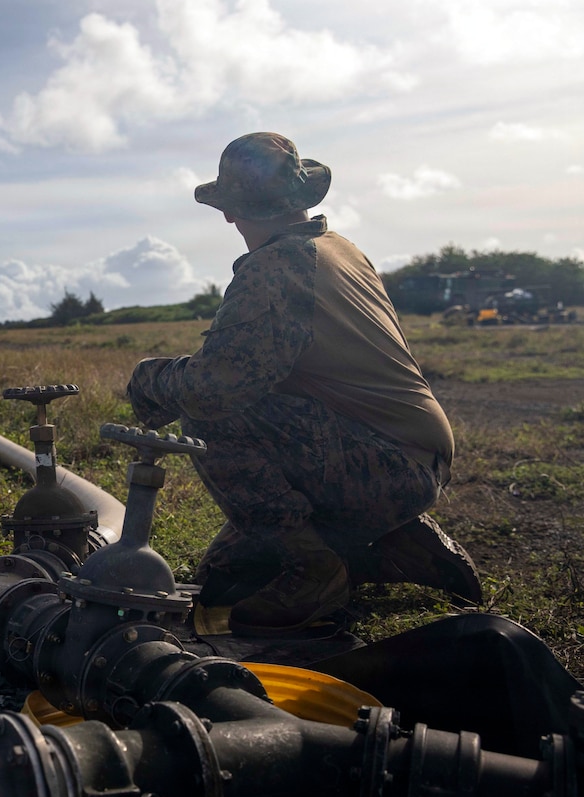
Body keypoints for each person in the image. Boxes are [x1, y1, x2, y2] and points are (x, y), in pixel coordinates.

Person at [127, 132, 481, 637]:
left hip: (387, 464)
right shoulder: (335, 248)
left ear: (230, 212)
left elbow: (217, 388)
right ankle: (383, 545)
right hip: (410, 456)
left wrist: (151, 378)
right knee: (223, 579)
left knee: (211, 417)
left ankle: (315, 572)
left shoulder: (278, 265)